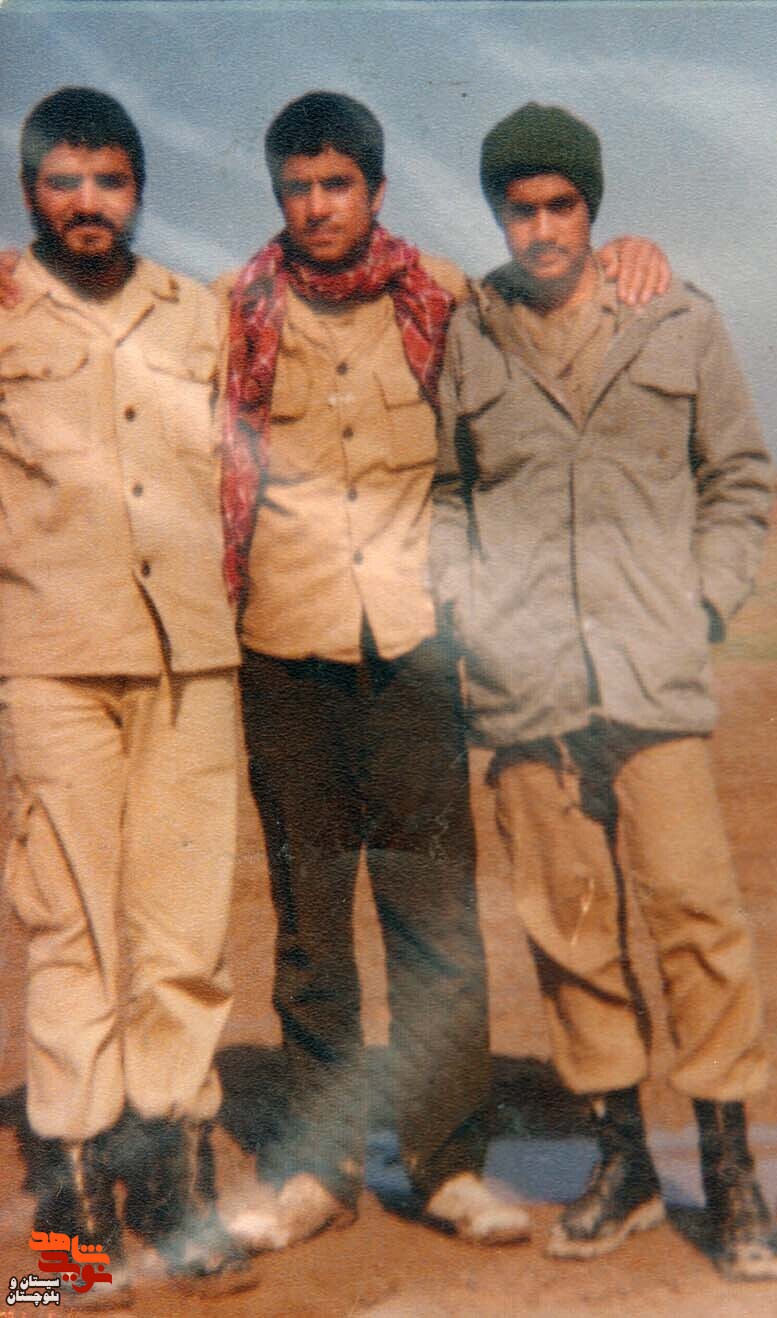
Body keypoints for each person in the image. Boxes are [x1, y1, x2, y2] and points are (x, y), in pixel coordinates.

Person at [216, 91, 672, 1253]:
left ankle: (449, 1164)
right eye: (297, 188)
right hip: (283, 653)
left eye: (338, 184)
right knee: (312, 928)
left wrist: (628, 253)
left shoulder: (452, 300)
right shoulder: (229, 312)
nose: (317, 206)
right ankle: (316, 1168)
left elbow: (565, 301)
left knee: (433, 918)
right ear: (279, 197)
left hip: (417, 650)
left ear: (375, 191)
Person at [431, 101, 777, 1281]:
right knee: (571, 930)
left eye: (563, 205)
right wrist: (470, 613)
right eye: (520, 208)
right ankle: (622, 1159)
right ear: (498, 213)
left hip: (652, 677)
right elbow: (444, 497)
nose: (542, 228)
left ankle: (731, 1169)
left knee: (696, 918)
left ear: (593, 209)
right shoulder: (467, 336)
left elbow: (736, 478)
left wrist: (703, 605)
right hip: (527, 689)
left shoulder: (677, 319)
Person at [0, 88, 253, 1298]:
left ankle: (175, 1184)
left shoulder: (199, 312)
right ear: (30, 192)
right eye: (64, 181)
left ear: (139, 190)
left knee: (183, 933)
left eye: (109, 179)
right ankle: (70, 1212)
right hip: (54, 658)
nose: (88, 202)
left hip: (190, 658)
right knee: (69, 924)